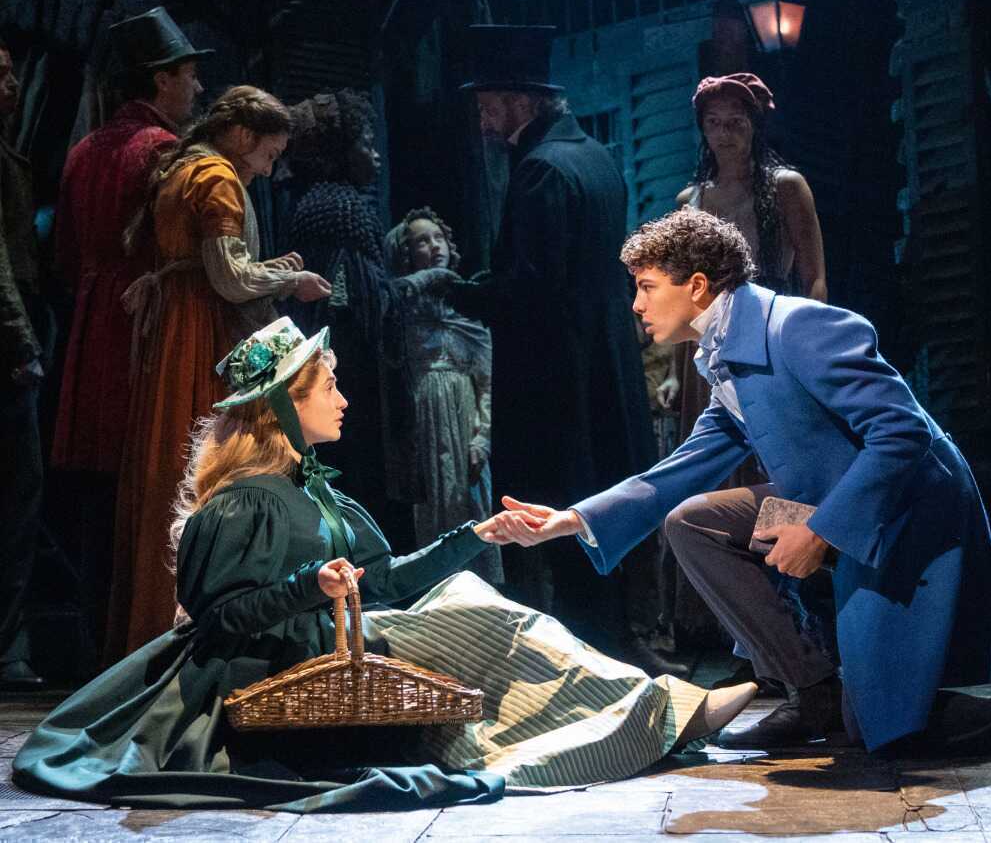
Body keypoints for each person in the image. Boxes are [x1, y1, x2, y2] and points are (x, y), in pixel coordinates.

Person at [492, 207, 991, 757]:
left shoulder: (799, 328)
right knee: (694, 521)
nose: (637, 305)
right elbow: (684, 468)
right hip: (833, 502)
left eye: (647, 287)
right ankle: (813, 689)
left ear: (697, 285)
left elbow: (903, 435)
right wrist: (571, 520)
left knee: (891, 734)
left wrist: (822, 531)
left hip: (904, 513)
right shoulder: (724, 353)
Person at [13, 317, 756, 811]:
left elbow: (389, 580)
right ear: (283, 407)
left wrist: (477, 535)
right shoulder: (242, 505)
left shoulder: (318, 493)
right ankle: (660, 708)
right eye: (328, 386)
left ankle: (649, 711)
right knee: (478, 618)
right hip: (277, 666)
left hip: (345, 639)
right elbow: (219, 618)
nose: (343, 398)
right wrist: (310, 585)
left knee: (465, 593)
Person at [108, 86, 331, 663]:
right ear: (242, 135)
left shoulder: (185, 167)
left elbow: (211, 264)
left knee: (169, 467)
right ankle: (188, 629)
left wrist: (268, 268)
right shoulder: (216, 177)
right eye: (269, 154)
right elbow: (230, 281)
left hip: (178, 324)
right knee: (205, 467)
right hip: (200, 330)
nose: (269, 169)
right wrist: (289, 282)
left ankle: (154, 626)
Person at [450, 24, 655, 643]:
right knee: (600, 516)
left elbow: (533, 290)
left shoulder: (541, 170)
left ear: (521, 102)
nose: (483, 120)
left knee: (563, 521)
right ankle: (621, 645)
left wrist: (458, 291)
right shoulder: (595, 157)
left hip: (560, 382)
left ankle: (590, 656)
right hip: (605, 366)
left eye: (489, 105)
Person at [51, 7, 212, 650]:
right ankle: (134, 637)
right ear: (160, 79)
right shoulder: (164, 151)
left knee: (97, 490)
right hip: (144, 327)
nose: (197, 87)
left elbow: (65, 255)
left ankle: (95, 639)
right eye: (188, 74)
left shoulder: (81, 152)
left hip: (91, 328)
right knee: (144, 480)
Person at [657, 73, 829, 645]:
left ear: (754, 126)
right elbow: (682, 295)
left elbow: (815, 277)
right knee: (711, 472)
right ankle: (733, 628)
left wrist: (810, 352)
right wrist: (675, 370)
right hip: (708, 352)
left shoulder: (786, 187)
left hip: (770, 343)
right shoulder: (691, 201)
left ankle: (792, 625)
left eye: (735, 122)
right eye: (714, 124)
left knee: (775, 477)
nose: (724, 134)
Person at [286, 89, 431, 533]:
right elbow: (351, 298)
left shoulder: (325, 202)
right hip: (355, 374)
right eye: (366, 143)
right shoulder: (341, 208)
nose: (376, 155)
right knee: (364, 476)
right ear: (340, 151)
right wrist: (411, 287)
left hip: (341, 368)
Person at [383, 207, 502, 583]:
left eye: (438, 238)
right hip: (420, 420)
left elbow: (486, 380)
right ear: (406, 252)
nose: (434, 246)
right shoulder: (400, 309)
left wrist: (483, 437)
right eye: (422, 241)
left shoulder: (467, 305)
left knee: (471, 506)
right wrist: (427, 278)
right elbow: (386, 299)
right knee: (430, 510)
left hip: (464, 419)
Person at [0, 35, 46, 689]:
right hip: (6, 354)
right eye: (2, 76)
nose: (11, 86)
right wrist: (20, 341)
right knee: (16, 496)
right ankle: (8, 648)